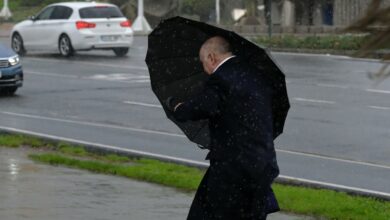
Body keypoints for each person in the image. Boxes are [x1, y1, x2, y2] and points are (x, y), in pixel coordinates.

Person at [166, 36, 280, 220]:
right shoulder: (255, 76)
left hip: (233, 169)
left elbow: (199, 108)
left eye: (203, 62)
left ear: (211, 58)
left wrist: (177, 107)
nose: (205, 69)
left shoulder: (221, 79)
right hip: (262, 164)